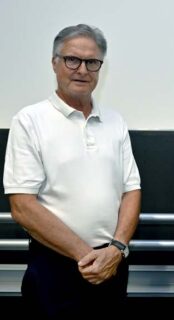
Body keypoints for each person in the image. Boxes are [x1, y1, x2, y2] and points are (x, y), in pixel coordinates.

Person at [3, 24, 141, 318]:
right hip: (55, 268)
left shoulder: (115, 122)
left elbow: (131, 190)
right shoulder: (30, 120)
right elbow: (22, 206)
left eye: (92, 62)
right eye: (72, 60)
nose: (82, 69)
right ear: (54, 63)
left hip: (112, 263)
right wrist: (87, 256)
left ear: (100, 68)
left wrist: (115, 250)